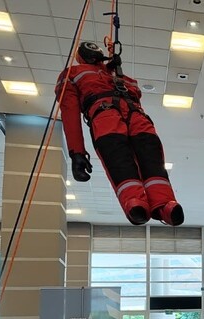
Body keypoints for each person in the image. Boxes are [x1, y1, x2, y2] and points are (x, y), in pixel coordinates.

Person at [56, 41, 184, 226]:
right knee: (144, 161)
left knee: (129, 161)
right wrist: (77, 151)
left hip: (109, 119)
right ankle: (155, 204)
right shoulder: (116, 76)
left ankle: (150, 204)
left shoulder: (76, 74)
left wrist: (77, 152)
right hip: (135, 118)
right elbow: (70, 111)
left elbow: (69, 111)